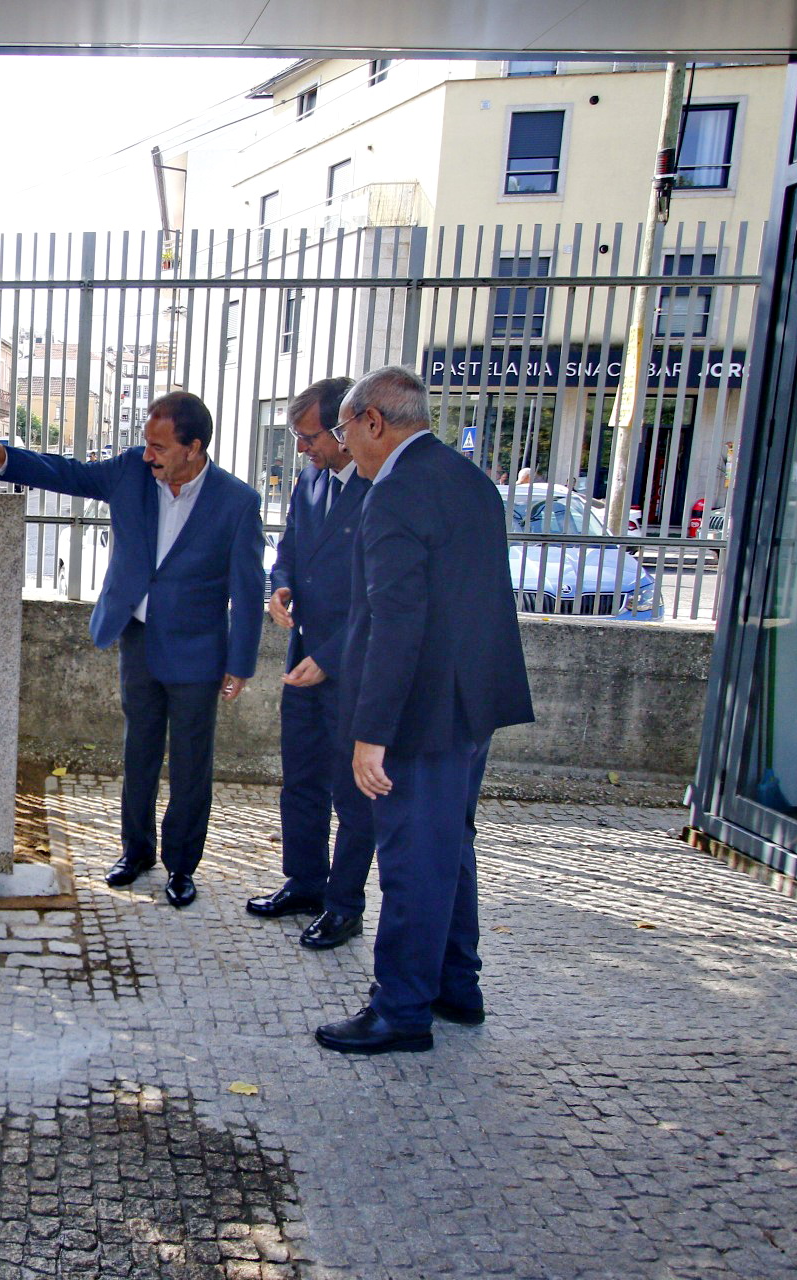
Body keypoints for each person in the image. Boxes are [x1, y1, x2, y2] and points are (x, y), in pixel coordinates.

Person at [0, 391, 265, 908]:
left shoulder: (236, 502)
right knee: (139, 750)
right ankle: (136, 851)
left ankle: (182, 865)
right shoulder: (130, 472)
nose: (148, 454)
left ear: (194, 447)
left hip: (197, 650)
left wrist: (241, 664)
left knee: (192, 762)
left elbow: (247, 587)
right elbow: (72, 474)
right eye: (146, 444)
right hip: (138, 638)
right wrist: (4, 455)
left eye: (159, 446)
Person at [315, 367, 534, 1056]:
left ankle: (402, 1009)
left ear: (374, 420)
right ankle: (454, 986)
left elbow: (395, 624)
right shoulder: (467, 477)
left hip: (419, 713)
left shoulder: (395, 493)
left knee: (413, 858)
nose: (344, 444)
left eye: (345, 428)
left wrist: (370, 735)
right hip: (472, 702)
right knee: (448, 847)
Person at [245, 376, 377, 951]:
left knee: (353, 793)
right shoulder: (311, 480)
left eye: (308, 436)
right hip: (305, 657)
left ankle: (345, 904)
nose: (301, 448)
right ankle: (304, 881)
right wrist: (280, 586)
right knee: (300, 777)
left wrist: (331, 655)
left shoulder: (381, 488)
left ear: (346, 430)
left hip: (355, 665)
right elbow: (290, 548)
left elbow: (384, 597)